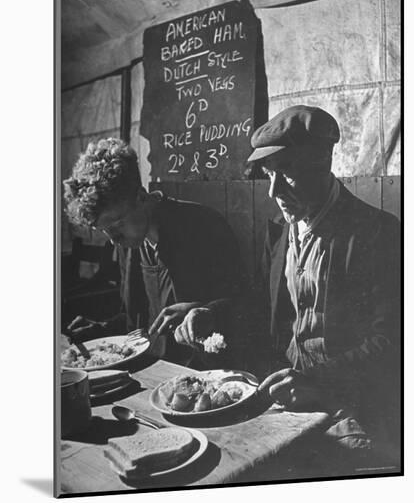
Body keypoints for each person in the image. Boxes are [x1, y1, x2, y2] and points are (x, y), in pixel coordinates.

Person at [247, 105, 401, 467]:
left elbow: (391, 343)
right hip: (287, 396)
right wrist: (211, 314)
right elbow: (259, 312)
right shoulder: (280, 232)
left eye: (286, 173)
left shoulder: (376, 232)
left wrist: (318, 381)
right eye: (268, 175)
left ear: (322, 162)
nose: (273, 191)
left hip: (352, 403)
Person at [63, 137, 244, 368]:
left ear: (140, 196)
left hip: (204, 373)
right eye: (104, 231)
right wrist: (101, 330)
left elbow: (247, 306)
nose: (113, 240)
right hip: (150, 370)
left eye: (117, 225)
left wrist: (207, 311)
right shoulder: (129, 244)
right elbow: (139, 325)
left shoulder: (204, 226)